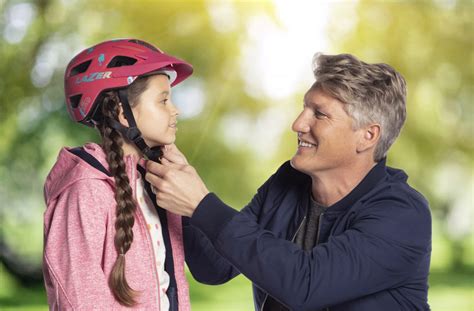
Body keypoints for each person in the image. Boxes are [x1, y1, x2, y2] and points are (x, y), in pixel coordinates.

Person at [145, 53, 432, 310]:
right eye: (304, 108)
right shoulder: (289, 183)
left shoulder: (403, 214)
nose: (298, 124)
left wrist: (201, 205)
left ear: (367, 136)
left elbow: (305, 284)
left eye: (319, 114)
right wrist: (172, 182)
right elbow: (213, 267)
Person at [43, 39, 194, 310]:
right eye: (163, 101)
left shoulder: (155, 182)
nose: (175, 110)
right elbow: (79, 299)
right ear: (123, 112)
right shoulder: (85, 190)